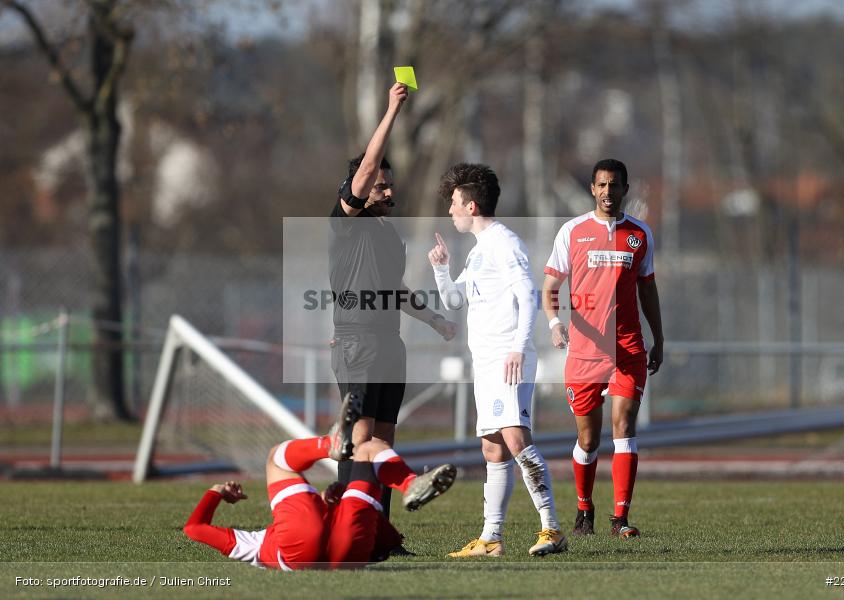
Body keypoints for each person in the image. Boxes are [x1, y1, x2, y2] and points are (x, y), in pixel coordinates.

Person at [329, 82, 457, 519]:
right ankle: (346, 524)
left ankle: (379, 529)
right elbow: (365, 169)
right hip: (357, 342)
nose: (388, 192)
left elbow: (396, 290)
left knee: (383, 437)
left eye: (389, 185)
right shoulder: (347, 223)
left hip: (388, 342)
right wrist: (392, 111)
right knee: (360, 436)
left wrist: (435, 320)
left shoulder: (386, 233)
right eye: (380, 186)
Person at [428, 163, 566, 557]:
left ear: (471, 206)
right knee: (493, 448)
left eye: (454, 202)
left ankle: (552, 529)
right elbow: (455, 300)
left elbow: (529, 295)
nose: (450, 209)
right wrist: (441, 269)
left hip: (510, 359)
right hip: (487, 364)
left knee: (517, 440)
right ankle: (491, 539)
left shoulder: (505, 242)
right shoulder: (477, 252)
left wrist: (519, 347)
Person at [183, 392, 457, 569]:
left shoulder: (257, 545)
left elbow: (193, 528)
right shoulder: (259, 540)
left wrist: (217, 492)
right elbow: (386, 539)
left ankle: (331, 444)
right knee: (370, 447)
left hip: (306, 553)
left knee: (276, 459)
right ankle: (408, 483)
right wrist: (340, 507)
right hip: (352, 550)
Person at [541, 158, 664, 539]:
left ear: (625, 189)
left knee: (624, 426)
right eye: (601, 185)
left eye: (615, 185)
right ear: (592, 189)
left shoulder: (640, 235)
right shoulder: (572, 232)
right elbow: (549, 289)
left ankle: (620, 519)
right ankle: (584, 510)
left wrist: (659, 337)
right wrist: (555, 323)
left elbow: (647, 290)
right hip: (584, 350)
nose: (608, 192)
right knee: (588, 439)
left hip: (627, 346)